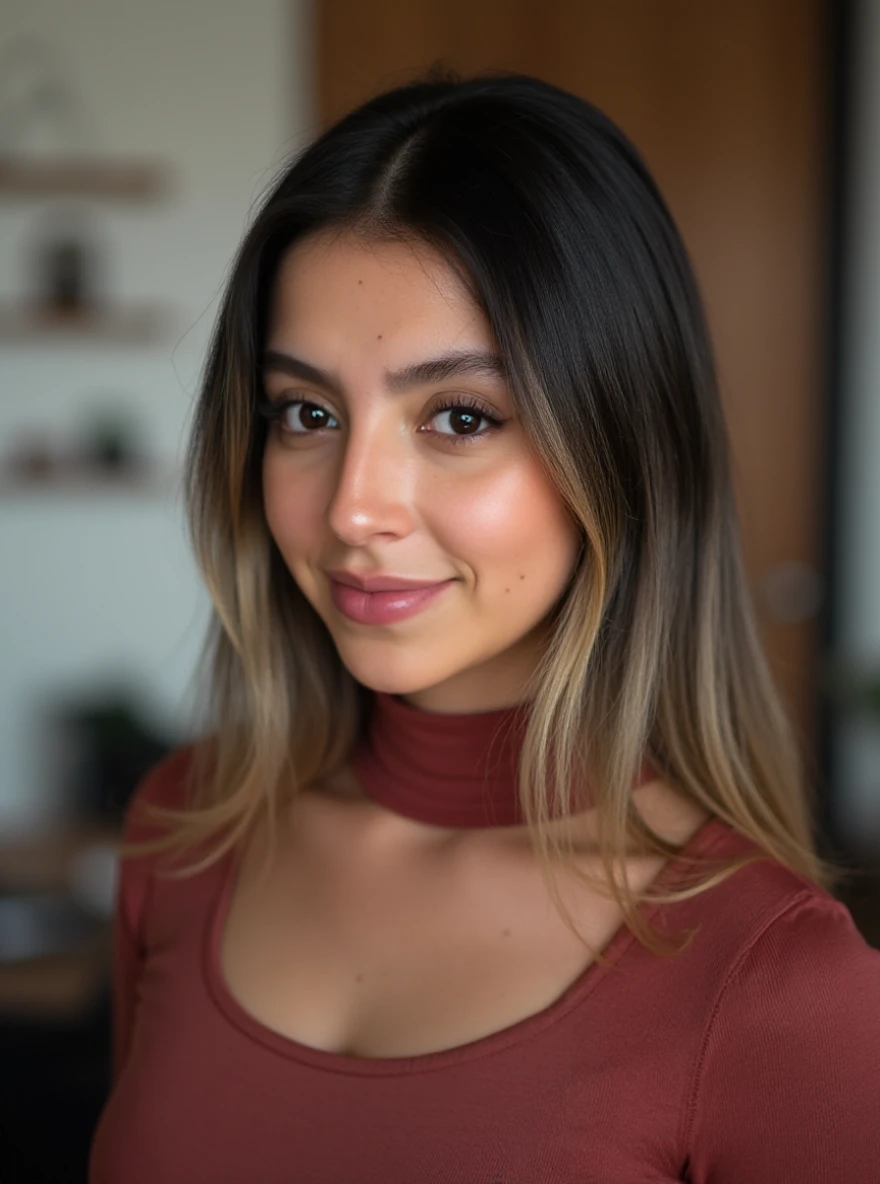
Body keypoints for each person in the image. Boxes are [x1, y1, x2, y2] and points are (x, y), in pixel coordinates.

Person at [89, 72, 880, 1183]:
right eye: (306, 413)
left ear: (620, 444)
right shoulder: (183, 829)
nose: (355, 505)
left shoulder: (777, 980)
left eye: (459, 416)